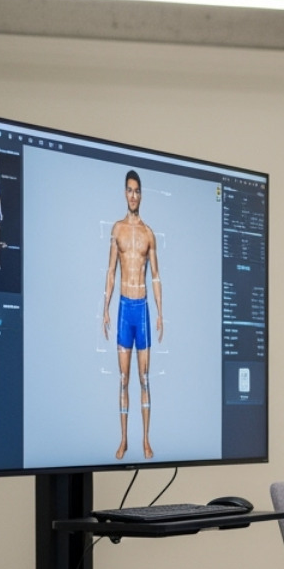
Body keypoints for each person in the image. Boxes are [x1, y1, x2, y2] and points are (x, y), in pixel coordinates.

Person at [101, 170, 164, 460]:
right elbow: (110, 272)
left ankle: (146, 440)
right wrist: (104, 309)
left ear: (142, 194)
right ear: (124, 193)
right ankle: (124, 439)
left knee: (145, 377)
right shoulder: (117, 230)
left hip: (143, 309)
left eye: (137, 191)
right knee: (124, 378)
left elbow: (156, 276)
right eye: (129, 190)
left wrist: (161, 314)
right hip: (125, 308)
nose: (133, 195)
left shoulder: (149, 233)